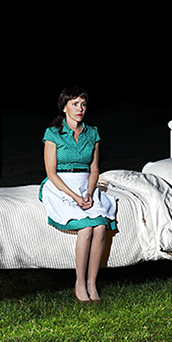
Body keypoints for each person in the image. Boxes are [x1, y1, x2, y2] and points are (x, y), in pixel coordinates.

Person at [40, 86, 117, 303]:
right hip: (62, 185)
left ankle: (92, 283)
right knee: (85, 228)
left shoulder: (92, 133)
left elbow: (94, 169)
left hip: (86, 184)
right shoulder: (53, 133)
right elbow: (51, 173)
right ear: (64, 107)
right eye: (74, 104)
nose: (80, 108)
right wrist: (75, 197)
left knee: (100, 227)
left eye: (83, 104)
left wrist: (90, 193)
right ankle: (79, 283)